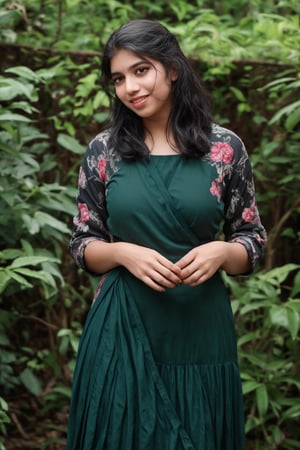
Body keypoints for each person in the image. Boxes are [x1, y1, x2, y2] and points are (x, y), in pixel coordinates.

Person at [66, 19, 267, 450]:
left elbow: (252, 239)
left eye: (141, 70)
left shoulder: (224, 149)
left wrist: (220, 251)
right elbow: (83, 244)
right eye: (118, 78)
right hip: (123, 324)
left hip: (199, 326)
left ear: (173, 69)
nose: (129, 87)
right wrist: (121, 253)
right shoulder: (105, 151)